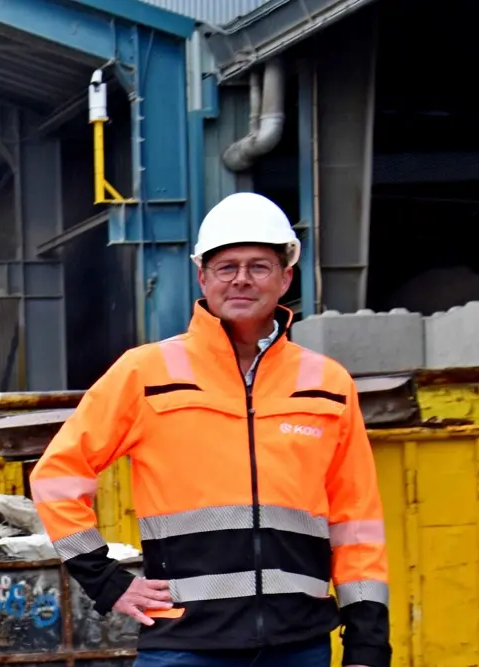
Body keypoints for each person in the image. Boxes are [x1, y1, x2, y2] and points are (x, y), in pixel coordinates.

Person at [29, 193, 390, 667]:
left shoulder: (327, 383)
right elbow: (57, 476)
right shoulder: (147, 372)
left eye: (259, 266)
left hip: (299, 644)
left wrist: (367, 639)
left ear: (286, 278)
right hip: (185, 643)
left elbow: (355, 518)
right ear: (203, 277)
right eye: (227, 267)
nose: (242, 279)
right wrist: (106, 580)